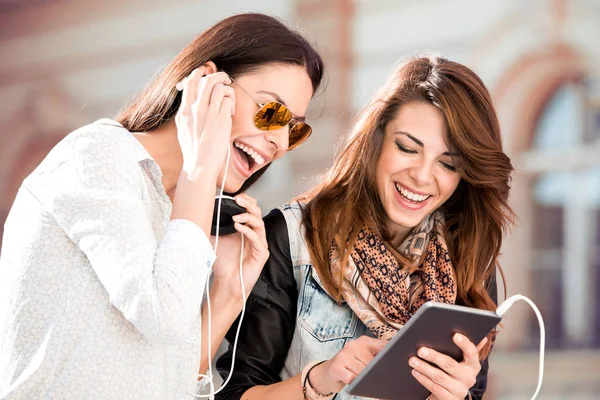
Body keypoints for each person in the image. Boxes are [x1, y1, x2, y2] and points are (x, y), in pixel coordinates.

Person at [0, 13, 324, 400]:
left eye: (294, 128)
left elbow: (166, 383)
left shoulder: (183, 209)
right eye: (271, 110)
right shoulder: (99, 156)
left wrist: (230, 290)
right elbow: (161, 314)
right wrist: (200, 168)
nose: (281, 142)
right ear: (206, 84)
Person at [215, 55, 514, 400]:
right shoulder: (291, 238)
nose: (421, 176)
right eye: (406, 147)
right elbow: (230, 394)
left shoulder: (466, 257)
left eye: (447, 164)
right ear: (376, 139)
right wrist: (319, 381)